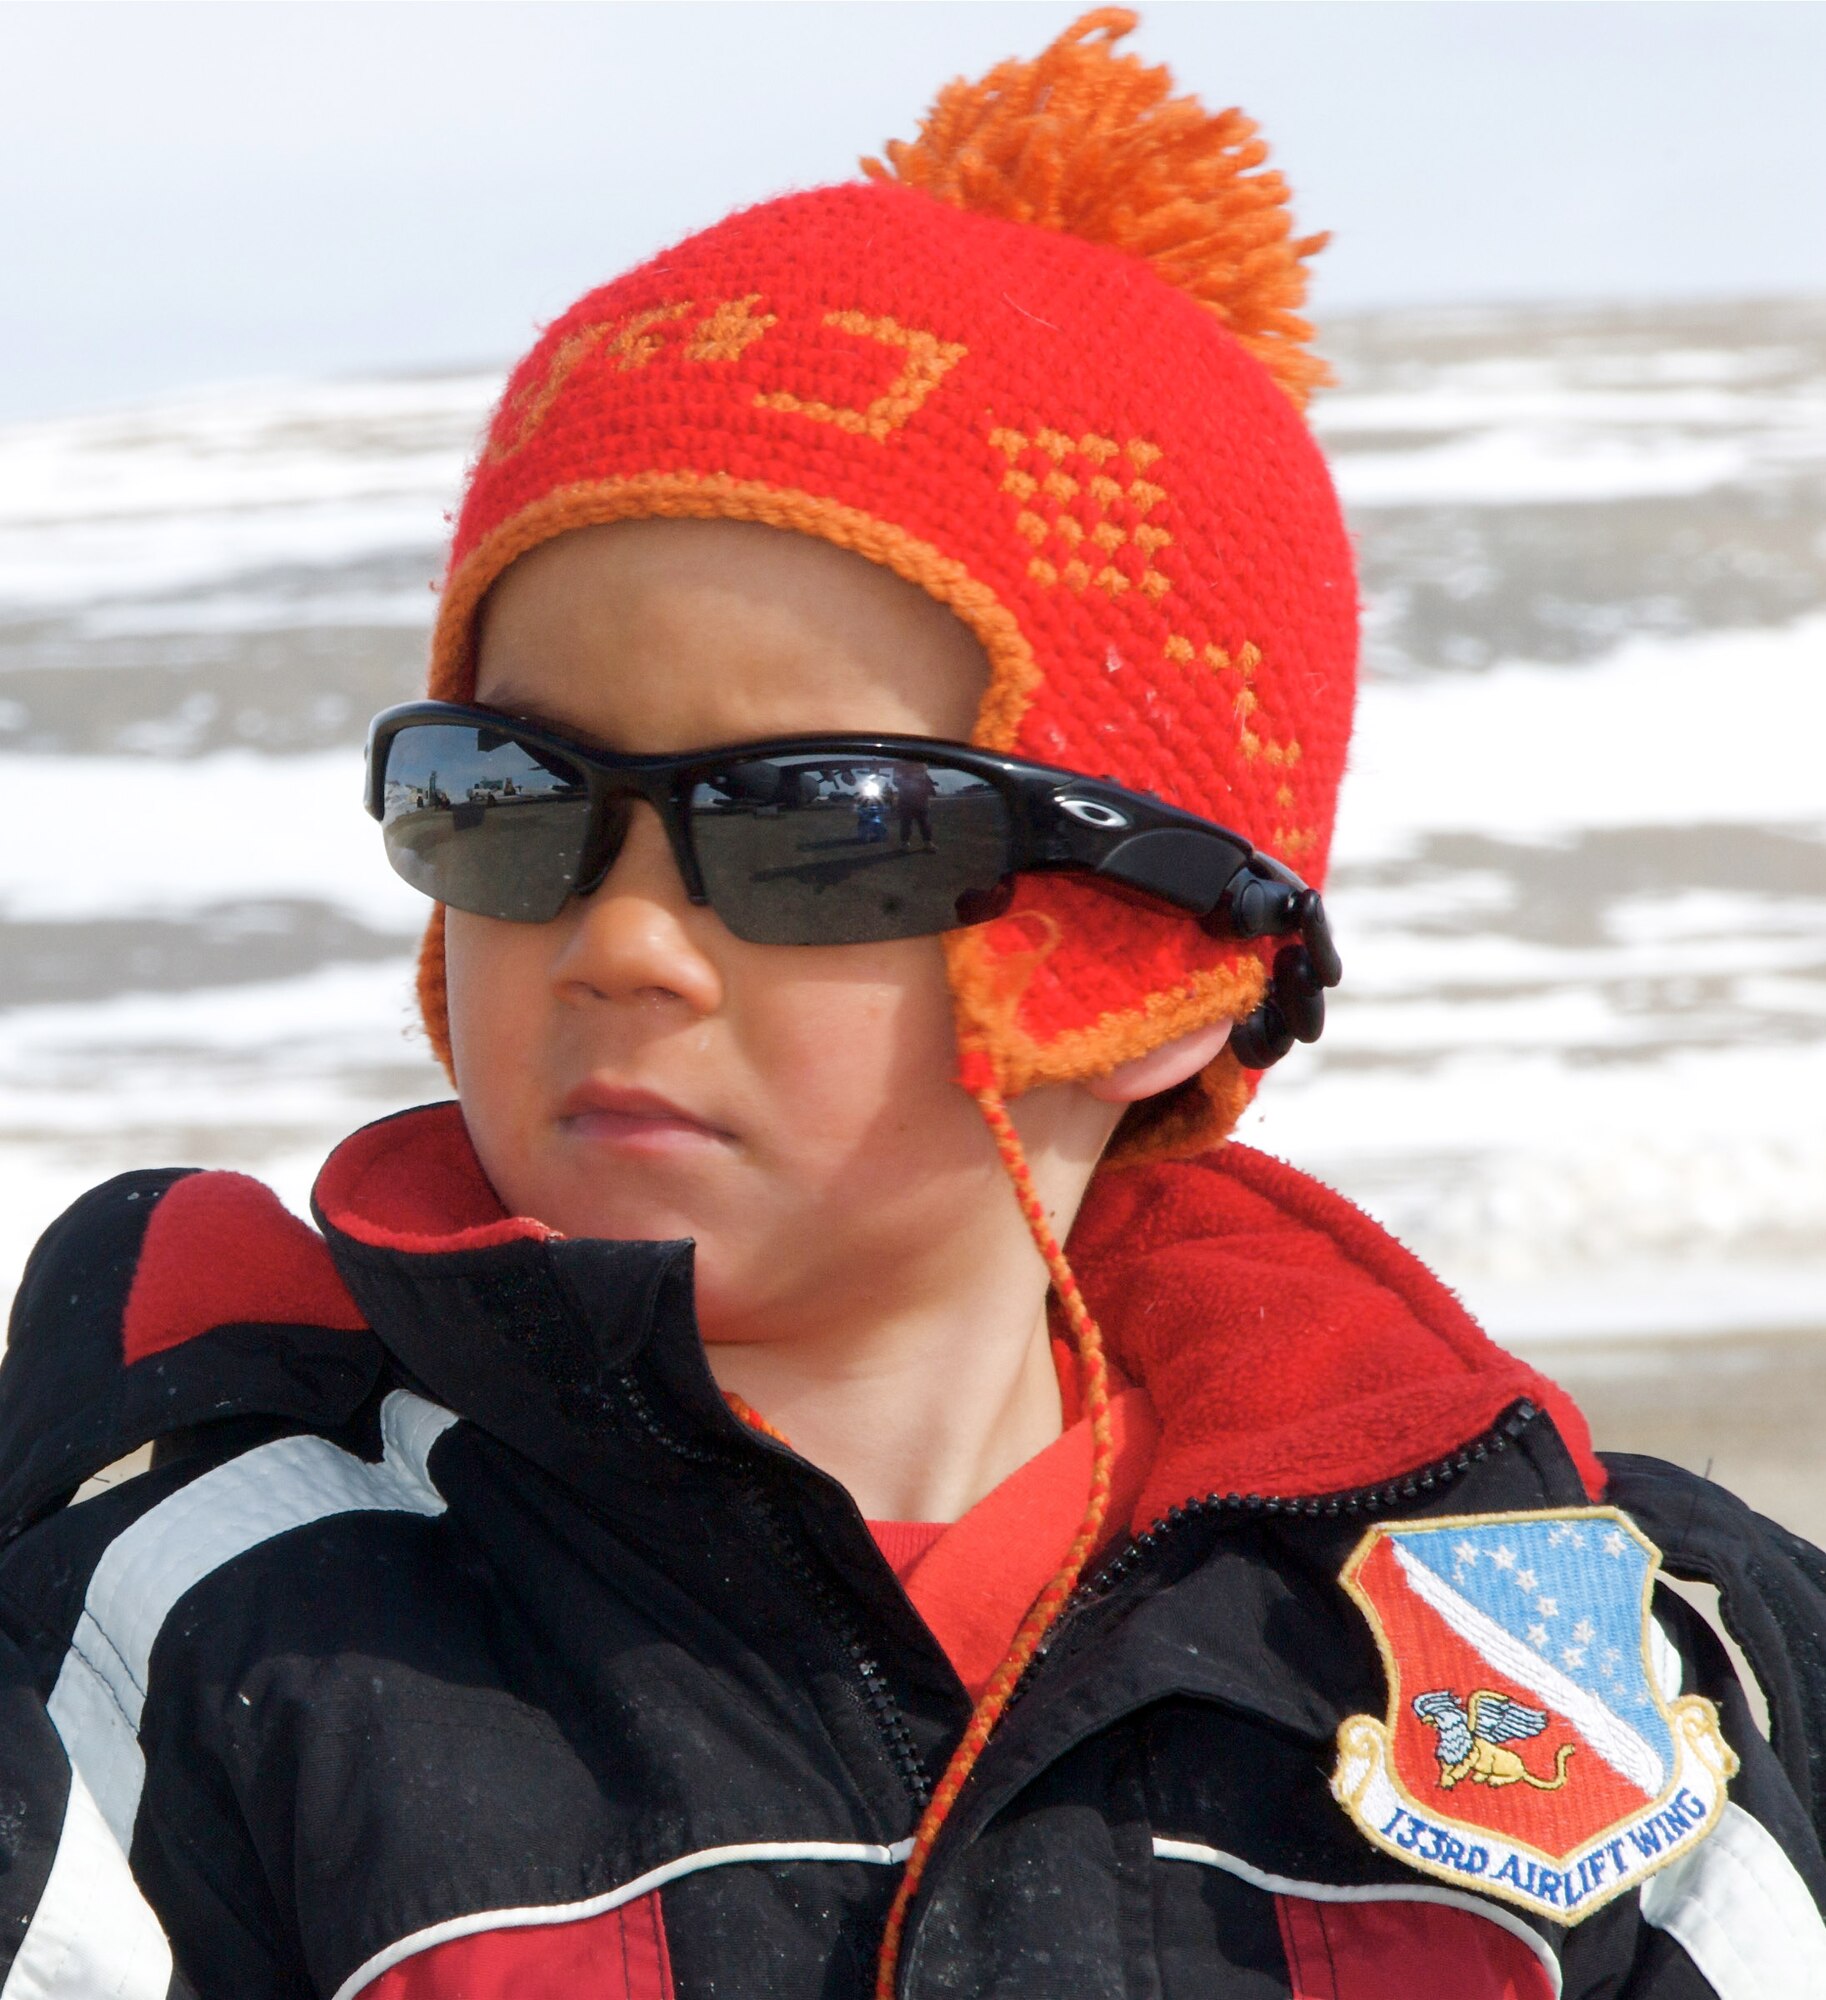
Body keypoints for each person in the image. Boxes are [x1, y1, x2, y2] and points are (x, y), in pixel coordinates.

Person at [0, 14, 1822, 1999]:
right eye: (508, 803)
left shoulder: (1614, 1669)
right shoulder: (193, 1626)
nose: (622, 940)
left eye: (815, 829)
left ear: (1169, 958)